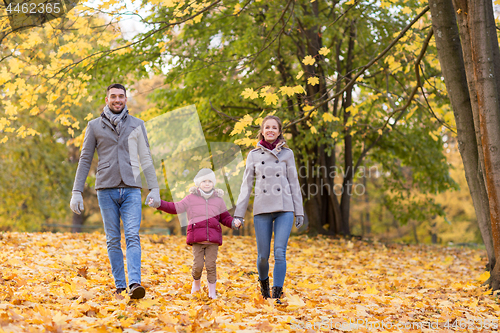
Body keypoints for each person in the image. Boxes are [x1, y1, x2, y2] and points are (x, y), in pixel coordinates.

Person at [70, 83, 161, 299]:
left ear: (126, 99)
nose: (117, 99)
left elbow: (146, 157)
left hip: (131, 188)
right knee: (112, 239)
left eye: (121, 96)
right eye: (113, 96)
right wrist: (76, 191)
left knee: (132, 235)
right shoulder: (93, 126)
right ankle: (120, 285)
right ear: (107, 99)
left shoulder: (137, 125)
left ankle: (135, 284)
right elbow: (85, 159)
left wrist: (154, 188)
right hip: (106, 188)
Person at [233, 115, 304, 303]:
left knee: (280, 252)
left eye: (274, 127)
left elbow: (294, 183)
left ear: (279, 131)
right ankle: (264, 284)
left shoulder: (287, 154)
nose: (271, 130)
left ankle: (277, 293)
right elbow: (246, 186)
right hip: (262, 208)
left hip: (285, 208)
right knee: (263, 256)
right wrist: (239, 214)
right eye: (267, 127)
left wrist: (299, 210)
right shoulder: (253, 155)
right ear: (262, 131)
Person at [149, 168, 240, 299]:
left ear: (213, 183)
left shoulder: (218, 200)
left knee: (210, 266)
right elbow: (175, 207)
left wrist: (233, 223)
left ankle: (212, 292)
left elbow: (225, 217)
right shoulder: (190, 198)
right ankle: (196, 283)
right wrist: (159, 204)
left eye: (210, 181)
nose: (207, 184)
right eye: (204, 181)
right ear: (198, 183)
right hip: (197, 239)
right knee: (197, 266)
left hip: (213, 241)